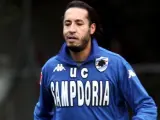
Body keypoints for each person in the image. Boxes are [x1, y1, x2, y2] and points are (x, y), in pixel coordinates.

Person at [34, 0, 157, 120]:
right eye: (67, 23)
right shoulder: (50, 68)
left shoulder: (115, 64)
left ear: (91, 28)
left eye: (79, 23)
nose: (72, 29)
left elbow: (146, 106)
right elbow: (42, 114)